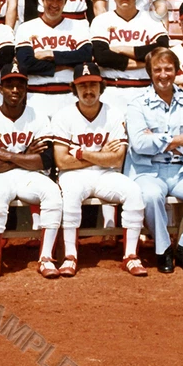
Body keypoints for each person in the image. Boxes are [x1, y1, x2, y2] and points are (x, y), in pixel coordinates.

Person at [125, 48, 183, 274]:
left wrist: (158, 141)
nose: (163, 74)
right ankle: (163, 250)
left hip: (182, 169)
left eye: (168, 69)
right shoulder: (137, 103)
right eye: (157, 70)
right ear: (149, 73)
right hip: (148, 171)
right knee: (150, 195)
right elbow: (139, 144)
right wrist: (180, 140)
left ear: (176, 71)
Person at [50, 63, 147, 277]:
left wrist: (80, 153)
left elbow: (117, 157)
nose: (88, 90)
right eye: (82, 85)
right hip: (73, 175)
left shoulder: (113, 113)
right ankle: (70, 256)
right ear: (73, 88)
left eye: (93, 84)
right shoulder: (63, 115)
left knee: (134, 192)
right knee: (71, 196)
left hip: (106, 175)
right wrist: (99, 156)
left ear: (101, 86)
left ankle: (130, 255)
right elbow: (61, 161)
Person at [0, 61, 63, 280]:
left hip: (30, 176)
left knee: (52, 193)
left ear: (27, 88)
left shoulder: (38, 117)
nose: (15, 90)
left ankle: (46, 257)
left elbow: (46, 161)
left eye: (20, 85)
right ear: (0, 88)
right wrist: (26, 155)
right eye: (9, 85)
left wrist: (9, 155)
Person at [14, 0, 93, 119]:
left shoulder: (79, 25)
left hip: (69, 97)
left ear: (66, 1)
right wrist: (62, 66)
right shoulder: (26, 27)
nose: (55, 4)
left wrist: (51, 54)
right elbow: (25, 64)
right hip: (35, 97)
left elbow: (86, 56)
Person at [90, 0, 169, 111]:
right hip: (112, 91)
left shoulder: (152, 19)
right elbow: (102, 57)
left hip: (145, 91)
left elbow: (162, 49)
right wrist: (145, 62)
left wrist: (121, 49)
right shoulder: (101, 21)